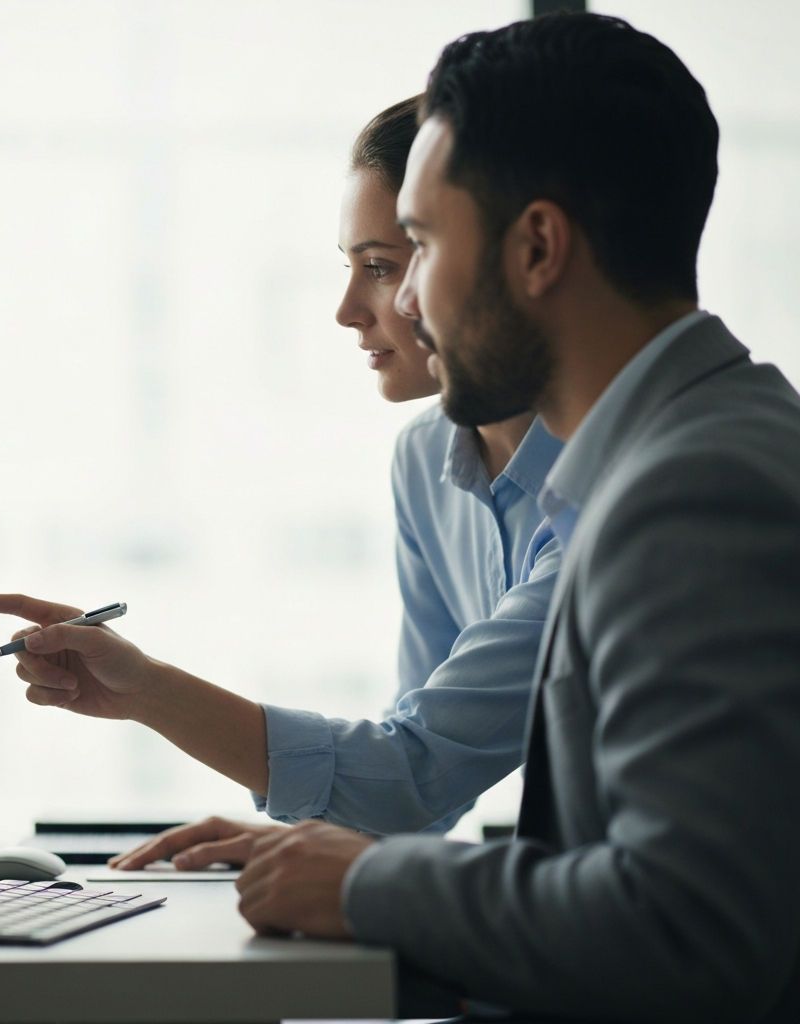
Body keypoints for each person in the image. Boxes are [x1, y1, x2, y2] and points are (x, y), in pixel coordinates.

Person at [228, 13, 800, 1023]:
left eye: (420, 244)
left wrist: (364, 884)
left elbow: (694, 930)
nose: (408, 300)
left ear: (537, 245)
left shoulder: (693, 491)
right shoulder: (678, 452)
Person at [0, 99, 563, 852]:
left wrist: (148, 689)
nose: (349, 310)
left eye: (380, 267)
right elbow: (413, 782)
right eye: (349, 267)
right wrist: (294, 839)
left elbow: (418, 770)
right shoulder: (424, 463)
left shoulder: (606, 495)